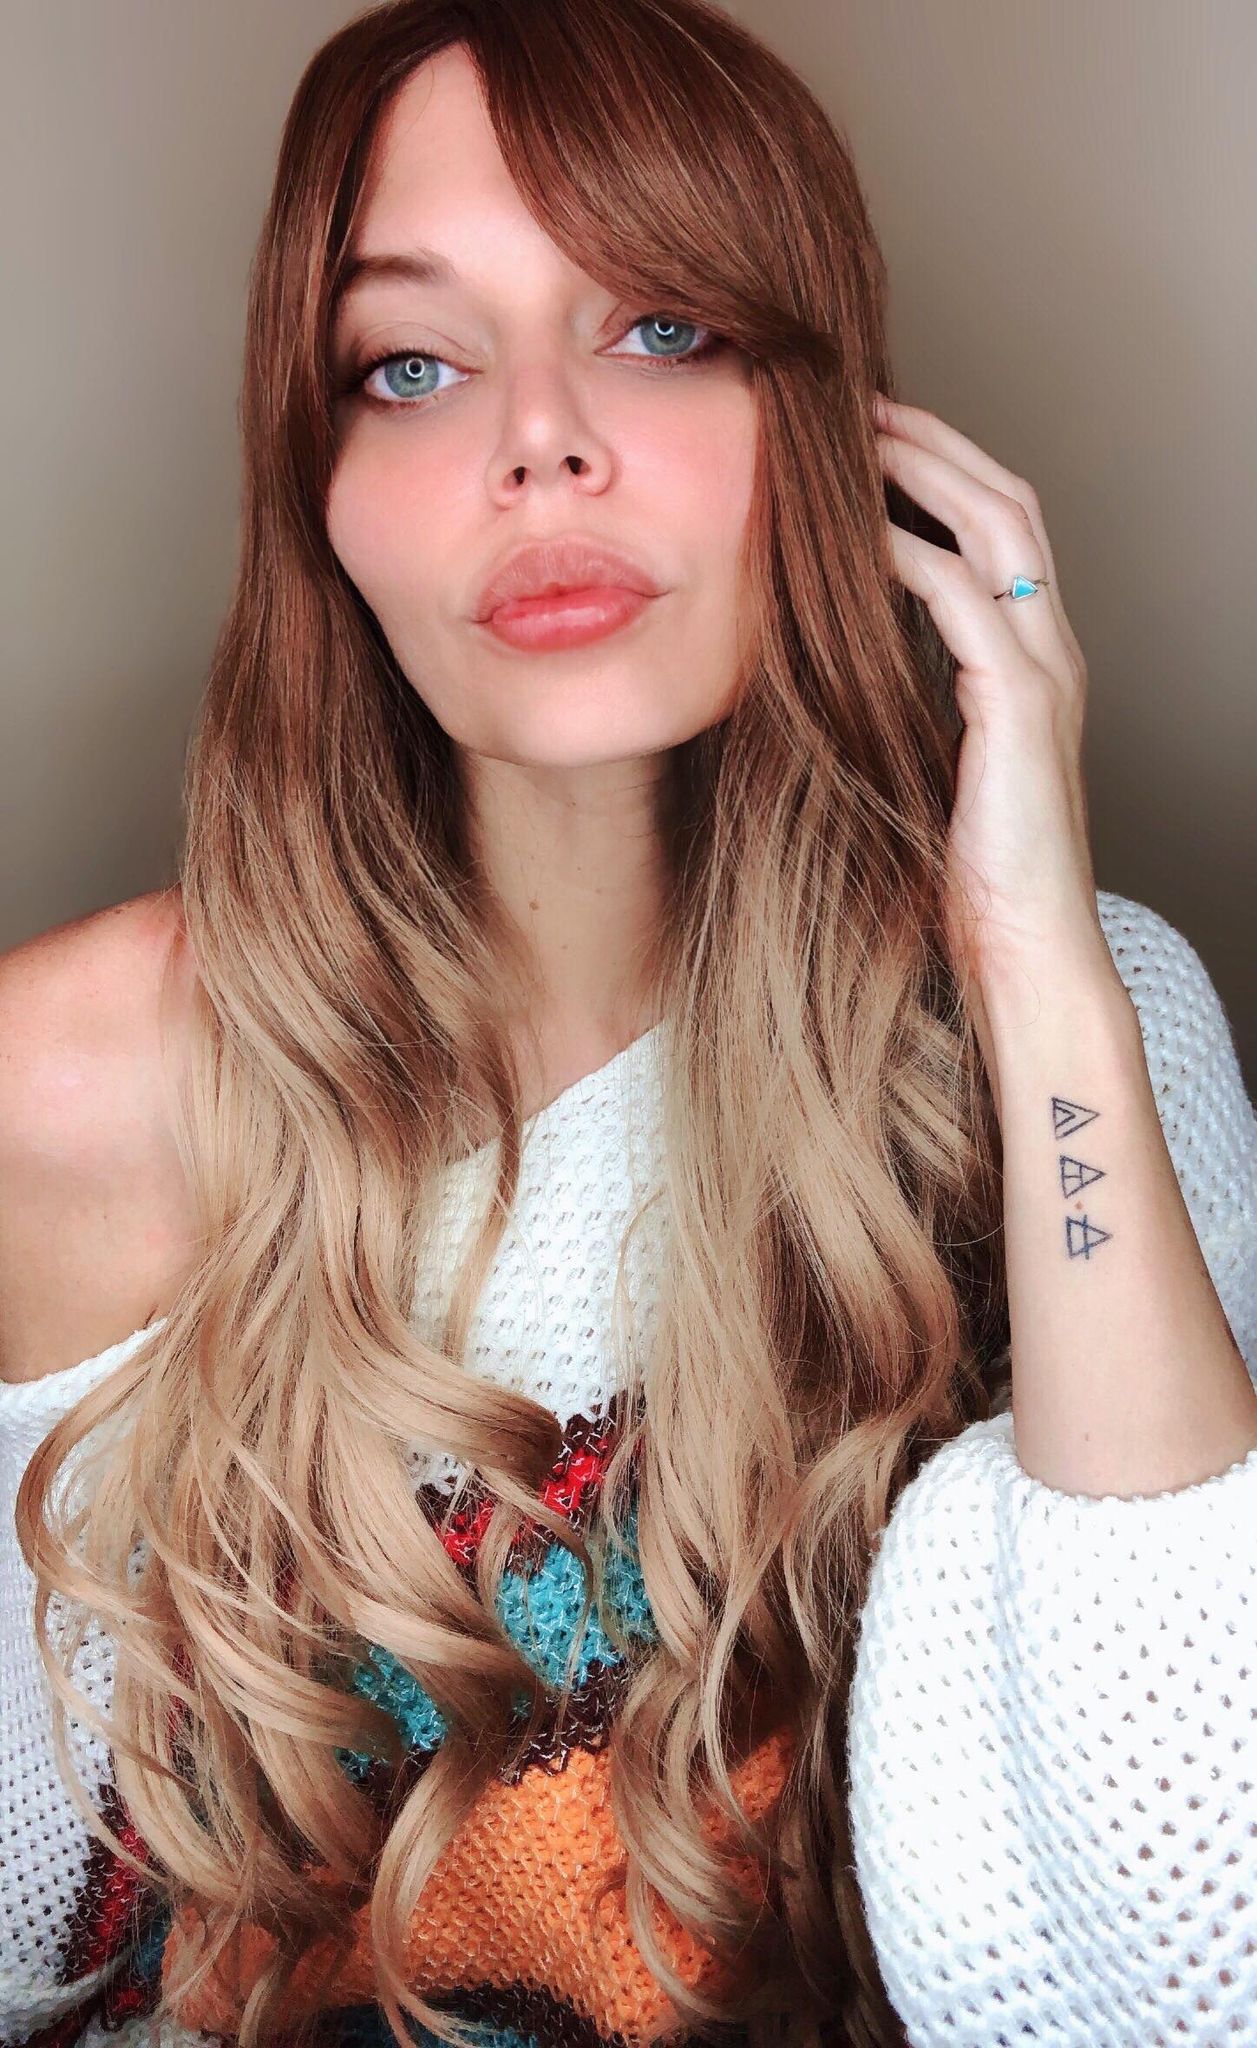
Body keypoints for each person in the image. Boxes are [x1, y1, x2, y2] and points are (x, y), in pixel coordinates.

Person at [3, 3, 1255, 2045]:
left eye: (661, 327)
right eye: (411, 365)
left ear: (831, 425)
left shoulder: (1082, 1040)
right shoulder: (63, 1087)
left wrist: (1033, 962)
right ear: (323, 490)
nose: (539, 441)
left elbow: (1182, 1983)